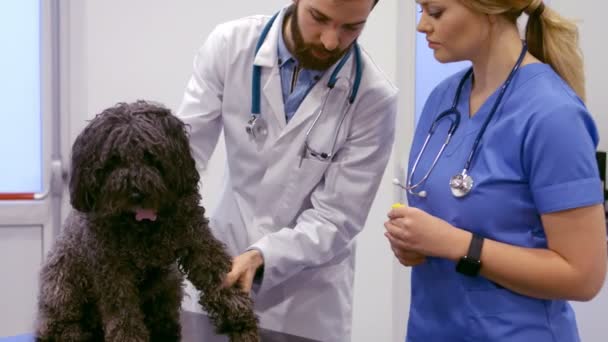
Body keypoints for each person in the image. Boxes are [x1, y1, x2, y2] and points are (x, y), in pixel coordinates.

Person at [385, 0, 607, 341]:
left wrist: (457, 245)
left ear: (487, 9)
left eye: (436, 12)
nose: (422, 27)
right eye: (421, 12)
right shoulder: (444, 98)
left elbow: (583, 277)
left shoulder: (552, 114)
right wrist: (414, 245)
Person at [177, 0, 396, 340]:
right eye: (319, 18)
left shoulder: (373, 97)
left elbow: (338, 216)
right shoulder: (231, 45)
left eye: (351, 28)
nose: (329, 41)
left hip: (306, 301)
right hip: (219, 272)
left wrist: (263, 255)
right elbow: (182, 155)